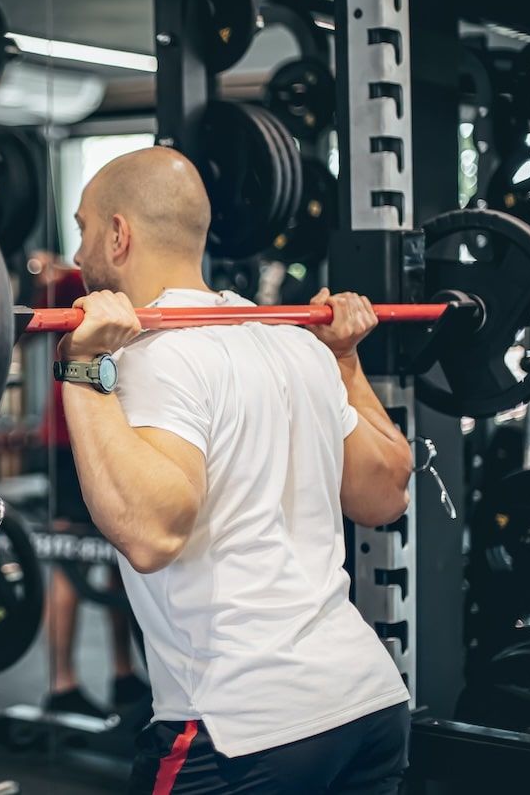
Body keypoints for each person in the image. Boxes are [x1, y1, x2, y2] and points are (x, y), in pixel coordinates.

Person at [55, 147, 413, 794]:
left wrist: (81, 371)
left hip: (245, 729)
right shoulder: (292, 341)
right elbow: (386, 493)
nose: (78, 254)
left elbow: (152, 533)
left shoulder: (154, 357)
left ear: (117, 234)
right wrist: (346, 362)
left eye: (83, 229)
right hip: (367, 703)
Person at [32, 250, 148, 719]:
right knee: (68, 559)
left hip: (115, 433)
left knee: (119, 556)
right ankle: (62, 684)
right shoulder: (74, 281)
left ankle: (123, 674)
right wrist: (45, 269)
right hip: (67, 440)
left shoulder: (133, 281)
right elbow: (32, 293)